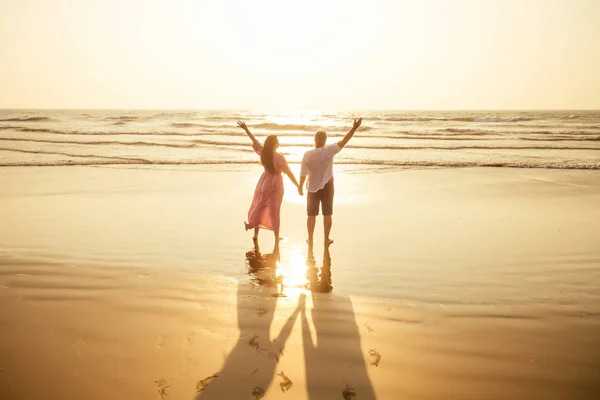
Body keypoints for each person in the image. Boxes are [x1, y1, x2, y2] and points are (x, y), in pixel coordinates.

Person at [298, 118, 362, 245]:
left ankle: (310, 239)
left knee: (311, 215)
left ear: (315, 140)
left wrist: (300, 186)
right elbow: (344, 141)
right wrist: (354, 128)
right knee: (327, 213)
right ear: (325, 140)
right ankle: (326, 239)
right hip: (328, 186)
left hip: (312, 188)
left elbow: (303, 173)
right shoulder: (328, 151)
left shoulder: (307, 154)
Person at [238, 121, 300, 245]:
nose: (279, 143)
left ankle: (255, 236)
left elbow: (254, 141)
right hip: (275, 184)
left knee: (260, 206)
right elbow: (289, 172)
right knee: (275, 210)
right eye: (278, 141)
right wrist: (298, 185)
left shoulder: (263, 153)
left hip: (264, 181)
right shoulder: (279, 157)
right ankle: (276, 237)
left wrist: (246, 128)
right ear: (275, 144)